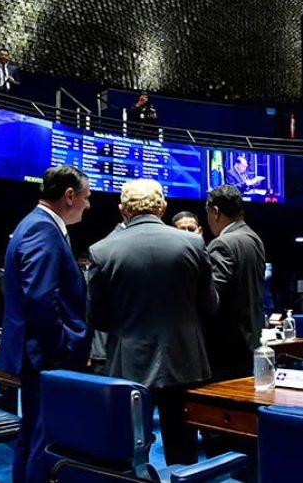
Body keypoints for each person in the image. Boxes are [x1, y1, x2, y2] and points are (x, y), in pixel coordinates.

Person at [87, 179, 217, 465]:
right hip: (184, 360)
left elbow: (97, 318)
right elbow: (209, 305)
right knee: (183, 452)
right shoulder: (194, 243)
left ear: (123, 211)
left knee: (129, 450)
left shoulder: (101, 250)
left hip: (127, 364)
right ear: (163, 208)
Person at [0, 165, 92, 483]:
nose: (88, 205)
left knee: (33, 433)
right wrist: (61, 349)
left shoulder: (34, 224)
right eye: (86, 197)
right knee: (44, 439)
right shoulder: (43, 228)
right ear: (69, 196)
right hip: (46, 356)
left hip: (37, 353)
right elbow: (40, 297)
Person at [203, 184, 266, 381]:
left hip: (225, 347)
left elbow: (212, 296)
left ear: (215, 212)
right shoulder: (254, 238)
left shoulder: (222, 243)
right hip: (249, 340)